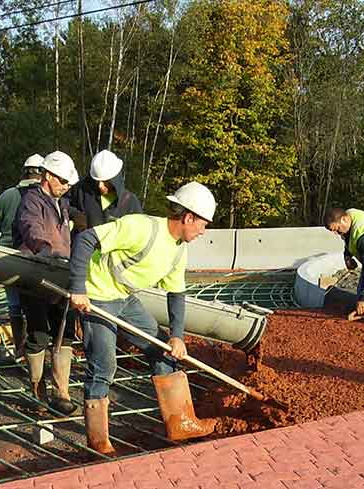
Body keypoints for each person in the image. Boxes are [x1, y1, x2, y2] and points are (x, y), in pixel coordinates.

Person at [68, 181, 217, 456]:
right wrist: (78, 288)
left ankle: (181, 423)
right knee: (104, 365)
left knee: (164, 352)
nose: (203, 231)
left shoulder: (178, 250)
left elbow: (176, 294)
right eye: (202, 224)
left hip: (124, 297)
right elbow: (86, 239)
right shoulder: (141, 227)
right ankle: (98, 444)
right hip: (97, 294)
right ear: (188, 217)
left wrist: (177, 337)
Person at [14, 151, 80, 415]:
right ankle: (38, 392)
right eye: (63, 181)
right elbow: (30, 227)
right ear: (49, 176)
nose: (66, 186)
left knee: (64, 332)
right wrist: (43, 248)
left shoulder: (60, 203)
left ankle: (62, 392)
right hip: (38, 275)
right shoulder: (31, 201)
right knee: (38, 334)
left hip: (62, 274)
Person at [0, 153, 44, 359]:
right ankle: (37, 350)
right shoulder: (44, 197)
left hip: (8, 256)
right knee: (38, 304)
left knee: (15, 306)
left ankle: (20, 350)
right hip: (36, 257)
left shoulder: (8, 195)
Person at [68, 149, 142, 235]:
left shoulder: (130, 202)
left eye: (106, 181)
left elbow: (139, 233)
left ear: (115, 179)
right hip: (83, 242)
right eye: (97, 181)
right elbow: (62, 203)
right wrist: (74, 213)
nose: (100, 185)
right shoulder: (80, 191)